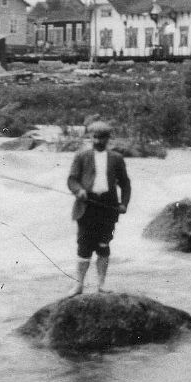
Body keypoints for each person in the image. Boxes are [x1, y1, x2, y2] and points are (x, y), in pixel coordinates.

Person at [66, 121, 131, 295]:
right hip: (86, 206)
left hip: (108, 207)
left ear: (108, 139)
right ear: (90, 137)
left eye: (101, 138)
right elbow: (72, 180)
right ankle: (79, 285)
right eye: (94, 137)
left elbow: (125, 184)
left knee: (104, 246)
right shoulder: (81, 156)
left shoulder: (117, 158)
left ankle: (101, 285)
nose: (97, 141)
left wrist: (124, 203)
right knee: (84, 247)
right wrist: (78, 190)